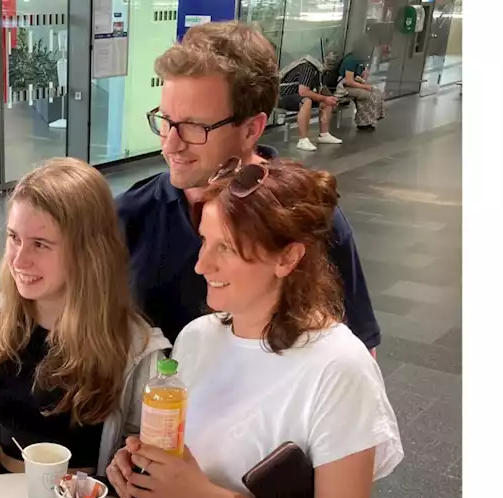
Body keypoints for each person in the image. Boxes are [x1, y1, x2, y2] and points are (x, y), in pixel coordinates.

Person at [106, 157, 403, 498]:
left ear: (289, 257)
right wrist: (145, 470)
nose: (200, 264)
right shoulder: (197, 338)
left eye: (226, 249)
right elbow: (187, 463)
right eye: (204, 242)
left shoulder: (338, 369)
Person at [117, 21, 381, 355]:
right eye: (166, 120)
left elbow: (358, 353)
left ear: (251, 129)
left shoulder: (307, 218)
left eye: (195, 127)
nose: (170, 144)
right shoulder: (129, 215)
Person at [0, 158, 170, 479]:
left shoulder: (137, 350)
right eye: (14, 238)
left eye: (40, 244)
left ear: (87, 253)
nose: (20, 259)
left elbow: (143, 459)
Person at [277, 55, 343, 152]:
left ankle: (324, 135)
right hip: (284, 97)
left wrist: (329, 98)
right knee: (306, 101)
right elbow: (303, 91)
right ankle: (303, 140)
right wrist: (324, 98)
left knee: (326, 101)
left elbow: (319, 89)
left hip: (297, 96)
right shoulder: (308, 68)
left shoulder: (318, 72)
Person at [336, 48, 386, 130]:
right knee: (367, 95)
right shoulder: (351, 60)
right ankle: (363, 122)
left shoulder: (360, 60)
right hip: (344, 87)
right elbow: (349, 82)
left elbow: (361, 77)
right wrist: (365, 87)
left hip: (355, 85)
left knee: (377, 92)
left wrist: (365, 75)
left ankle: (370, 120)